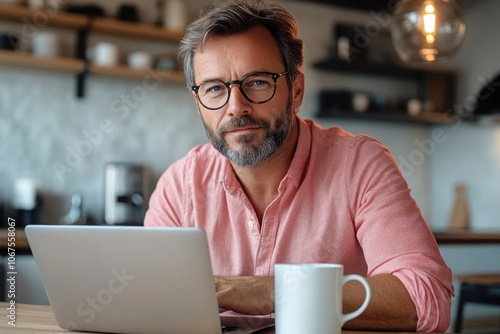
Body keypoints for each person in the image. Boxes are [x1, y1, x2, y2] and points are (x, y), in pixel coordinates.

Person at [145, 0, 454, 332]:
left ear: (296, 90)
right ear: (199, 102)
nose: (236, 107)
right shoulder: (179, 185)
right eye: (215, 89)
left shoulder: (360, 165)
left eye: (258, 82)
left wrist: (276, 291)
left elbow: (426, 298)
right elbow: (146, 297)